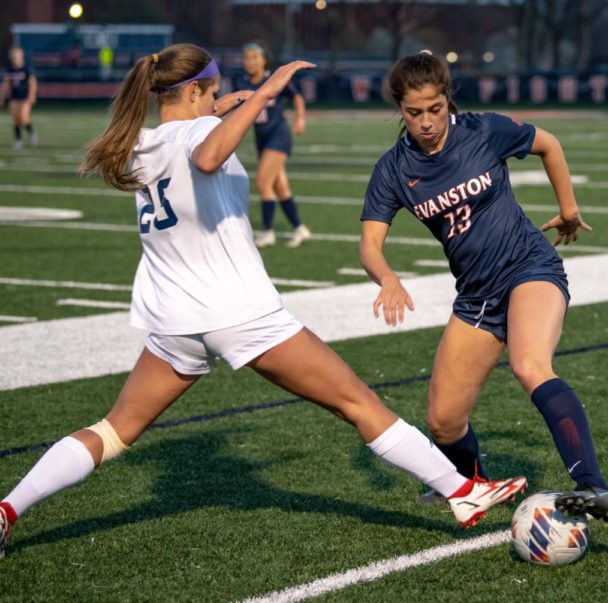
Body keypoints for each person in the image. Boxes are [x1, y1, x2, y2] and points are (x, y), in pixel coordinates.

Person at [0, 44, 526, 559]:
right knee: (357, 402)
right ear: (195, 91)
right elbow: (205, 154)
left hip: (174, 318)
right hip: (238, 311)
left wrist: (220, 111)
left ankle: (9, 508)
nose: (221, 98)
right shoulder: (204, 132)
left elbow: (190, 146)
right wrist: (265, 93)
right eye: (215, 91)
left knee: (113, 430)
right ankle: (463, 491)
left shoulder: (141, 142)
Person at [358, 51, 608, 523]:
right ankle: (472, 485)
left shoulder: (483, 131)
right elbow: (369, 246)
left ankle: (592, 486)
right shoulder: (392, 170)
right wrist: (388, 277)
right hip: (476, 295)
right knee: (443, 420)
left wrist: (568, 208)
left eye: (435, 109)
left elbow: (549, 144)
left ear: (448, 99)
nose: (427, 122)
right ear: (399, 108)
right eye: (414, 113)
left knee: (529, 363)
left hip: (529, 268)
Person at [233, 42, 311, 248]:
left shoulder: (272, 80)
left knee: (262, 182)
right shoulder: (241, 81)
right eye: (246, 57)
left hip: (279, 136)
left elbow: (297, 97)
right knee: (280, 187)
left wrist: (300, 118)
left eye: (254, 57)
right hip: (262, 139)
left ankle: (267, 232)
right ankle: (300, 228)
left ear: (263, 60)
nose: (249, 61)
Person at [1, 46, 38, 149]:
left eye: (17, 55)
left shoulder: (27, 68)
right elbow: (6, 85)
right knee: (16, 120)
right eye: (13, 55)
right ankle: (18, 140)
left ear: (21, 55)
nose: (15, 57)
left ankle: (32, 133)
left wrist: (32, 95)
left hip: (25, 97)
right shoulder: (9, 69)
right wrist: (2, 97)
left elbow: (32, 83)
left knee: (24, 118)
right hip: (14, 97)